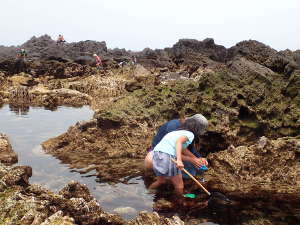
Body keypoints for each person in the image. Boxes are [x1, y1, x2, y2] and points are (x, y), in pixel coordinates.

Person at [148, 116, 208, 196]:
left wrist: (195, 158)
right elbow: (178, 143)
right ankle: (179, 199)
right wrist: (179, 160)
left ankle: (147, 193)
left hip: (157, 154)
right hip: (168, 157)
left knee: (161, 181)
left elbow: (181, 148)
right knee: (179, 186)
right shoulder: (190, 134)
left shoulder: (176, 132)